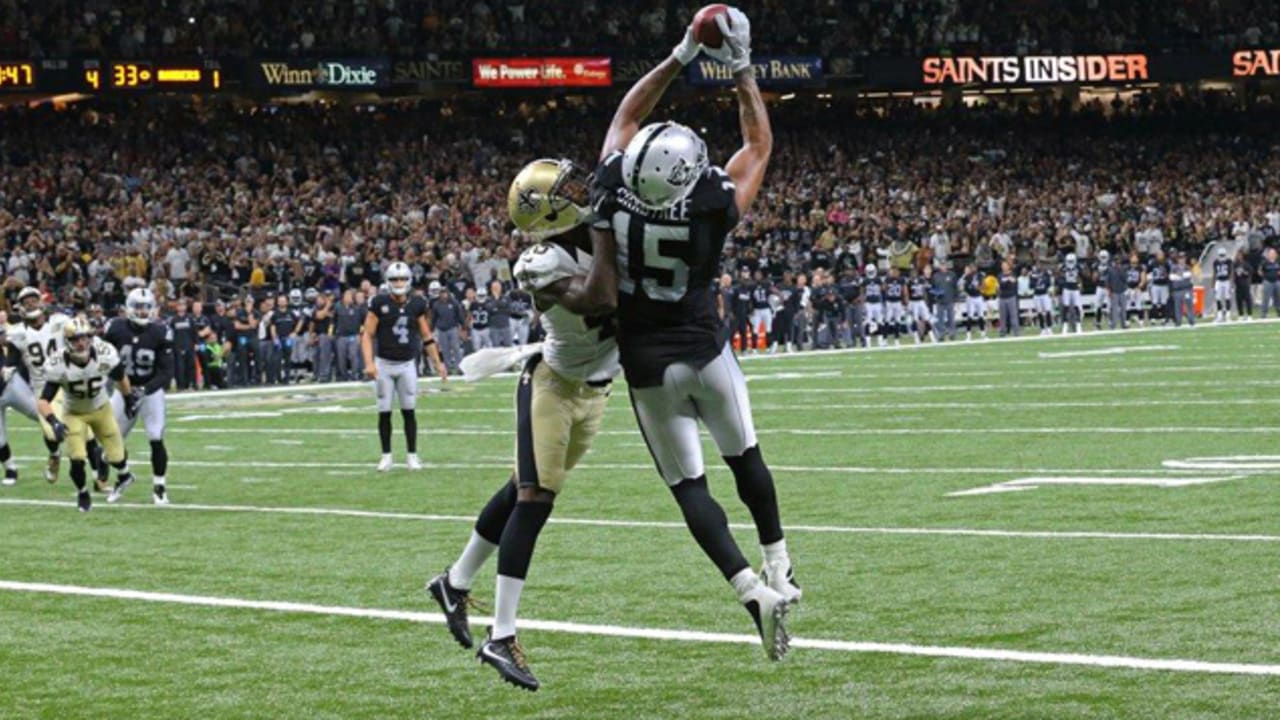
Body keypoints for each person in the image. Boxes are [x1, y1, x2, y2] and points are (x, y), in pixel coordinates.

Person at [590, 6, 798, 668]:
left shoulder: (613, 185)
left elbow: (626, 114)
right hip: (705, 352)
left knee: (689, 488)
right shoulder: (713, 205)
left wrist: (681, 54)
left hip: (647, 366)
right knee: (745, 457)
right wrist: (737, 67)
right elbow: (759, 144)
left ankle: (750, 591)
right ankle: (780, 563)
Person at [429, 158, 620, 692]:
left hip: (598, 390)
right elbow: (601, 297)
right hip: (552, 386)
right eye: (567, 189)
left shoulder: (596, 235)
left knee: (523, 488)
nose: (580, 191)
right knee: (536, 498)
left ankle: (454, 581)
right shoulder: (541, 260)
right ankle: (502, 633)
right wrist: (608, 227)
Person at [37, 318, 137, 512]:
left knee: (116, 457)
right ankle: (83, 492)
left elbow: (120, 377)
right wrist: (53, 421)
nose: (81, 343)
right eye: (75, 339)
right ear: (67, 342)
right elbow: (43, 401)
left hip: (101, 408)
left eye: (84, 338)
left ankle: (125, 475)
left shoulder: (104, 353)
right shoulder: (57, 363)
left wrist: (128, 399)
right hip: (73, 413)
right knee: (77, 458)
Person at [360, 262, 447, 472]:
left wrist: (438, 363)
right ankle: (386, 456)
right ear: (387, 282)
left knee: (409, 411)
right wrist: (369, 363)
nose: (398, 283)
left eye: (402, 279)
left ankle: (412, 455)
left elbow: (426, 336)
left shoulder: (417, 304)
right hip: (384, 364)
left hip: (408, 363)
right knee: (384, 411)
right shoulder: (378, 303)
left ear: (408, 281)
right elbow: (367, 335)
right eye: (394, 280)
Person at [104, 288, 175, 504]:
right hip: (123, 390)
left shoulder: (161, 332)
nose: (143, 312)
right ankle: (124, 475)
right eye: (138, 307)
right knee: (110, 444)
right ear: (128, 308)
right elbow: (103, 358)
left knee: (155, 436)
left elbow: (167, 372)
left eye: (146, 307)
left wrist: (145, 390)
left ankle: (159, 486)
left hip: (149, 391)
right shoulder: (114, 328)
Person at [6, 286, 81, 482]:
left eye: (33, 299)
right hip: (42, 387)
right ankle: (55, 455)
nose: (31, 303)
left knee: (84, 430)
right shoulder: (17, 332)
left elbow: (80, 339)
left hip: (67, 381)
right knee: (52, 432)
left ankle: (99, 476)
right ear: (20, 307)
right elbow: (12, 359)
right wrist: (6, 369)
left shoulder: (60, 321)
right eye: (26, 301)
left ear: (42, 301)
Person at [429, 282, 466, 371]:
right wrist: (431, 329)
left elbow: (459, 314)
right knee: (445, 350)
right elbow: (434, 318)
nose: (443, 295)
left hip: (452, 328)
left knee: (456, 348)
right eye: (442, 293)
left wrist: (463, 325)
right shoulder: (436, 305)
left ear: (447, 293)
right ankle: (448, 367)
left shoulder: (454, 303)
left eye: (445, 293)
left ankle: (460, 367)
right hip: (441, 329)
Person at [334, 289, 365, 381]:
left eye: (350, 296)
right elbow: (333, 321)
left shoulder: (357, 308)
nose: (348, 297)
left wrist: (360, 333)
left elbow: (363, 322)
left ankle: (355, 375)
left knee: (353, 356)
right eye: (346, 295)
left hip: (354, 336)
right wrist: (331, 333)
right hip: (341, 336)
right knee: (341, 358)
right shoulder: (338, 308)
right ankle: (344, 376)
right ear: (343, 297)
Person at [931, 259, 959, 341]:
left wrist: (956, 298)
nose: (943, 266)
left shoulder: (952, 274)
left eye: (944, 264)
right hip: (940, 300)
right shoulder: (935, 275)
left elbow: (955, 287)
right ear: (939, 266)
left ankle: (952, 334)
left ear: (947, 265)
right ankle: (941, 335)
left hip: (950, 299)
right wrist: (936, 294)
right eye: (941, 265)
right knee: (940, 319)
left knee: (951, 318)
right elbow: (932, 287)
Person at [1058, 253, 1083, 334]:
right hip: (1067, 288)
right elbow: (1058, 274)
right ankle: (1065, 325)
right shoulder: (1063, 267)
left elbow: (1082, 276)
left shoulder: (1078, 267)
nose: (1070, 263)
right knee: (1066, 307)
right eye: (1069, 261)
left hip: (1075, 288)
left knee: (1077, 307)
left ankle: (1078, 324)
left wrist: (1080, 283)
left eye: (1072, 261)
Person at [1169, 252, 1196, 326]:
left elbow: (1189, 275)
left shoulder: (1187, 267)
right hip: (1177, 290)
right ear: (1178, 259)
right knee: (1177, 306)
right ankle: (1178, 322)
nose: (1182, 260)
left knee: (1189, 305)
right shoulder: (1174, 268)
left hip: (1186, 289)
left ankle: (1191, 321)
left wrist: (1179, 276)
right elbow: (1171, 277)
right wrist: (1181, 276)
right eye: (1180, 258)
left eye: (1183, 258)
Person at [962, 264, 987, 340]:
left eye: (974, 267)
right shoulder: (967, 277)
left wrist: (979, 288)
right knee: (970, 316)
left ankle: (983, 334)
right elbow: (966, 288)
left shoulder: (980, 275)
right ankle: (968, 335)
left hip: (979, 297)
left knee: (981, 315)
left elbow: (983, 285)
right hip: (971, 297)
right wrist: (973, 288)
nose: (973, 269)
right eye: (972, 267)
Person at [996, 261, 1020, 336]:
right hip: (1002, 297)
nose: (1004, 267)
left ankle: (1016, 332)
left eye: (1005, 265)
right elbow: (1000, 285)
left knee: (1013, 316)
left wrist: (1007, 281)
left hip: (1011, 297)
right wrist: (1007, 281)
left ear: (1008, 266)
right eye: (1002, 265)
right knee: (1002, 316)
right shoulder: (999, 275)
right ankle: (1002, 332)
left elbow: (1014, 281)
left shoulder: (1012, 274)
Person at [1029, 263, 1054, 335]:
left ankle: (1049, 328)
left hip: (1045, 294)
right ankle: (1042, 328)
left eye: (1040, 265)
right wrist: (1034, 280)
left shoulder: (1046, 274)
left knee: (1048, 311)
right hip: (1037, 295)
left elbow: (1049, 283)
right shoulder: (1032, 275)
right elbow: (1030, 286)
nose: (1039, 266)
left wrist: (1043, 282)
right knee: (1039, 312)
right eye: (1037, 265)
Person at [1211, 247, 1234, 322]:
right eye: (1221, 255)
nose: (1222, 256)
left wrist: (1231, 283)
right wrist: (1213, 283)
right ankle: (1219, 315)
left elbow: (1231, 272)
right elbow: (1214, 273)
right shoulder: (1215, 262)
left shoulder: (1229, 261)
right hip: (1219, 281)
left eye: (1223, 255)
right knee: (1218, 298)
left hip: (1226, 281)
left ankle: (1228, 315)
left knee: (1227, 297)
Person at [1258, 247, 1279, 318]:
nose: (1272, 255)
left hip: (1276, 281)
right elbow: (1260, 271)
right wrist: (1265, 276)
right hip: (1267, 282)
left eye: (1273, 253)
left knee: (1278, 298)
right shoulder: (1264, 262)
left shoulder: (1277, 262)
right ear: (1268, 255)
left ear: (1276, 254)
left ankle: (1279, 312)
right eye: (1271, 253)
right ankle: (1264, 314)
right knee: (1266, 298)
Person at [1233, 249, 1254, 320]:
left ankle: (1249, 315)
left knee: (1247, 300)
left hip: (1245, 284)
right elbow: (1232, 274)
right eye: (1237, 255)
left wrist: (1244, 273)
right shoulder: (1235, 264)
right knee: (1239, 300)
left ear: (1242, 256)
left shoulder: (1246, 264)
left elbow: (1250, 272)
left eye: (1239, 255)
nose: (1238, 256)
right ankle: (1241, 315)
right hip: (1238, 285)